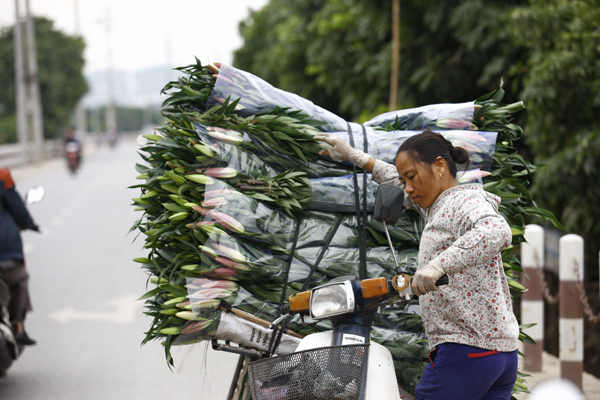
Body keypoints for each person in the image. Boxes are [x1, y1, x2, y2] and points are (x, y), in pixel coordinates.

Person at [315, 129, 519, 400]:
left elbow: (496, 230)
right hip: (499, 354)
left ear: (439, 166)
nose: (408, 187)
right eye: (404, 179)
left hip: (466, 350)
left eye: (411, 177)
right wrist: (356, 156)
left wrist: (438, 266)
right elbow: (399, 185)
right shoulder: (437, 204)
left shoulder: (463, 201)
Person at [0, 168, 37, 345]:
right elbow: (19, 210)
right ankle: (19, 327)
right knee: (18, 280)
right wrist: (30, 223)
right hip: (5, 251)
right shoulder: (2, 176)